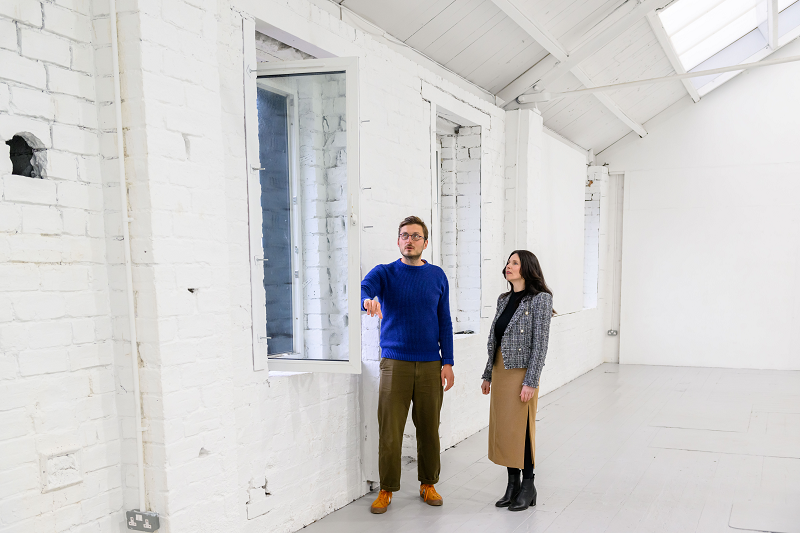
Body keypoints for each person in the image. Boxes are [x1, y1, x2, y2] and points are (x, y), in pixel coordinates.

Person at [361, 216, 455, 515]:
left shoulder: (437, 276)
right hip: (395, 364)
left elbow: (445, 322)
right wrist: (368, 301)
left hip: (430, 364)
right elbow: (365, 287)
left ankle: (428, 483)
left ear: (425, 243)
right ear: (398, 241)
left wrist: (448, 362)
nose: (409, 240)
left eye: (416, 236)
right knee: (390, 431)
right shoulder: (385, 273)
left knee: (429, 429)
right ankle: (387, 489)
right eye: (404, 235)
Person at [481, 250, 554, 512]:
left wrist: (531, 381)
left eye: (514, 262)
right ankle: (512, 484)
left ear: (527, 268)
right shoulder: (504, 299)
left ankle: (528, 485)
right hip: (501, 370)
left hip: (522, 373)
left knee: (521, 430)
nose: (508, 266)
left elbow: (540, 344)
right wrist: (488, 373)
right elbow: (495, 340)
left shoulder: (540, 300)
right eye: (508, 262)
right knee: (505, 429)